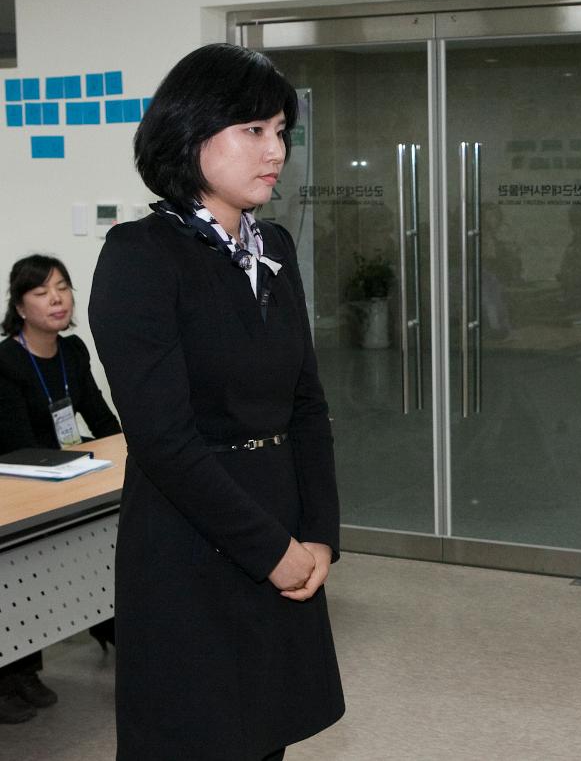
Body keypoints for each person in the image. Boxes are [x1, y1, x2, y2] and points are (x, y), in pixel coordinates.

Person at [88, 43, 344, 761]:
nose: (276, 150)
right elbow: (164, 439)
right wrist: (272, 552)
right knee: (196, 739)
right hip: (191, 542)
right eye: (253, 130)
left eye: (282, 131)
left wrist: (318, 533)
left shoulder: (277, 248)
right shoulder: (142, 255)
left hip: (284, 531)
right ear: (191, 131)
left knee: (265, 737)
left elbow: (306, 405)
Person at [0, 254, 122, 724]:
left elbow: (99, 414)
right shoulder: (6, 360)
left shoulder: (73, 351)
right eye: (41, 292)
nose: (56, 299)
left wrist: (127, 447)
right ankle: (14, 671)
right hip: (21, 481)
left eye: (63, 287)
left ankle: (109, 621)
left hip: (68, 471)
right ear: (20, 306)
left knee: (105, 538)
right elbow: (17, 446)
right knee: (23, 570)